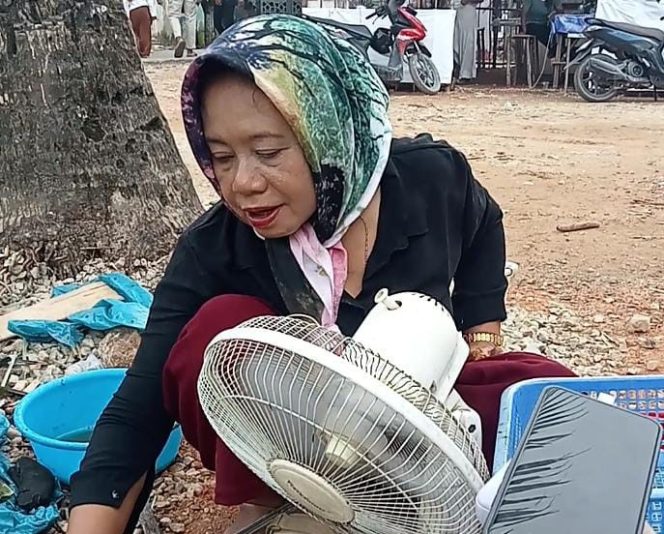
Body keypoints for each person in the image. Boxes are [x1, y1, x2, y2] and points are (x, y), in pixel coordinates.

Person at [66, 14, 575, 534]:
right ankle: (271, 508)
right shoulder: (214, 249)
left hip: (414, 418)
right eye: (220, 157)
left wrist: (482, 325)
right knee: (214, 335)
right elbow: (137, 412)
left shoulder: (430, 177)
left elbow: (483, 222)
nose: (243, 183)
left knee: (550, 398)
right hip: (290, 452)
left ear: (327, 130)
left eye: (268, 153)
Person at [453, 0, 483, 83]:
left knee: (468, 42)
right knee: (456, 43)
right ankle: (457, 73)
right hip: (456, 11)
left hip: (468, 10)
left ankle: (466, 74)